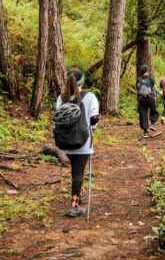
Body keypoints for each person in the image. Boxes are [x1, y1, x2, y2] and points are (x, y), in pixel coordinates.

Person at [56, 68, 99, 217]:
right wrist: (92, 128)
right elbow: (94, 118)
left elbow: (57, 119)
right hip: (83, 142)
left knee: (75, 169)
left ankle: (79, 193)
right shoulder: (89, 96)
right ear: (83, 81)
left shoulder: (61, 98)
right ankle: (74, 206)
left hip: (65, 142)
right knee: (78, 172)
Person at [136, 65, 159, 138]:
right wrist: (161, 93)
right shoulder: (151, 79)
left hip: (141, 99)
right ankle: (153, 124)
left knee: (143, 114)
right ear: (147, 71)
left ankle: (145, 132)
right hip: (150, 98)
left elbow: (137, 89)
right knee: (154, 111)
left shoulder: (138, 79)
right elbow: (155, 88)